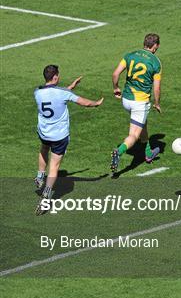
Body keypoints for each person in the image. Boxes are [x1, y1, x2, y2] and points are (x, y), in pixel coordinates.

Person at [34, 65, 103, 215]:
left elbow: (54, 95)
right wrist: (96, 103)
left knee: (44, 149)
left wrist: (70, 87)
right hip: (59, 136)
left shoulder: (37, 92)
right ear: (55, 77)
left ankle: (40, 176)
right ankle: (46, 195)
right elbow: (83, 102)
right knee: (54, 166)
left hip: (44, 133)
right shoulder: (63, 93)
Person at [110, 33, 162, 172]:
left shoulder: (130, 55)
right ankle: (119, 151)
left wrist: (116, 88)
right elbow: (156, 87)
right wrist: (157, 103)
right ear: (155, 46)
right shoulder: (155, 62)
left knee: (142, 123)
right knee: (133, 135)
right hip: (140, 103)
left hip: (126, 99)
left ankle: (148, 153)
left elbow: (115, 74)